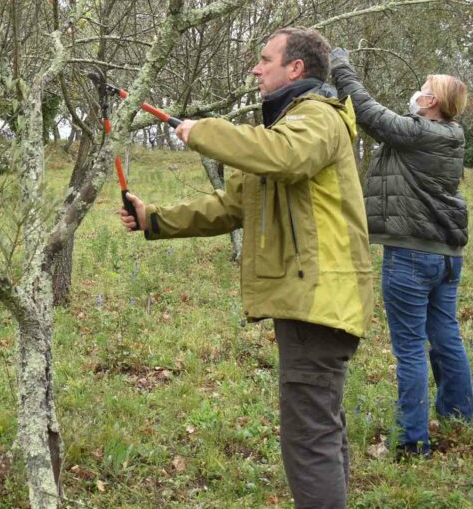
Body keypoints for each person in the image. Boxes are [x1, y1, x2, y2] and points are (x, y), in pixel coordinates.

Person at [119, 27, 372, 509]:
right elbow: (232, 206)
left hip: (319, 301)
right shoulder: (286, 128)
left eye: (265, 60)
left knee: (309, 439)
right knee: (321, 427)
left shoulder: (316, 118)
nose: (256, 69)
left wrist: (205, 132)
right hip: (312, 300)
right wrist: (156, 219)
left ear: (295, 69)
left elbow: (284, 156)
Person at [330, 50, 473, 457]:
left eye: (423, 90)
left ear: (431, 102)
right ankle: (459, 419)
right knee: (446, 336)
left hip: (412, 255)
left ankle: (412, 441)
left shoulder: (419, 133)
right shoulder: (450, 136)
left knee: (409, 348)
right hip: (446, 255)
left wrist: (341, 67)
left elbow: (370, 113)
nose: (417, 94)